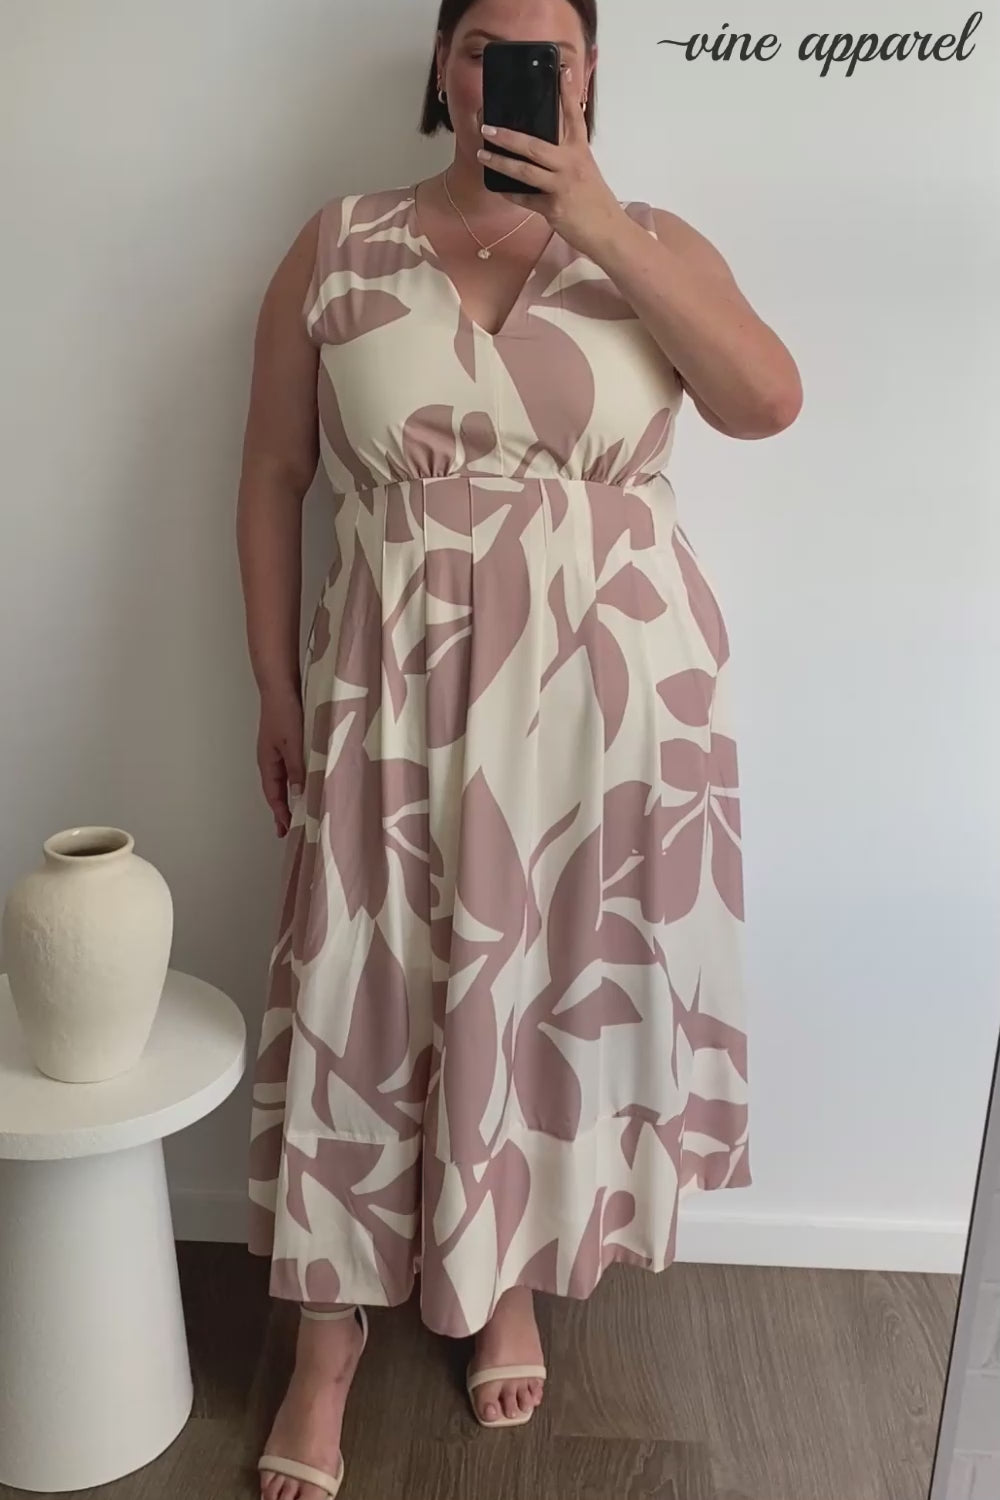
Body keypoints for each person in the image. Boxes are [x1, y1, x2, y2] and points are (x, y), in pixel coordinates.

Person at [237, 0, 802, 1495]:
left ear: (592, 72)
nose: (510, 70)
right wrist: (274, 689)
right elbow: (275, 471)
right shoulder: (339, 243)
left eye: (546, 47)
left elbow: (765, 403)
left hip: (609, 713)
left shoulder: (652, 241)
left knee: (554, 989)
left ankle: (513, 1278)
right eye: (485, 41)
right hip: (394, 689)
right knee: (363, 990)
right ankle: (325, 1349)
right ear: (443, 63)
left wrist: (599, 224)